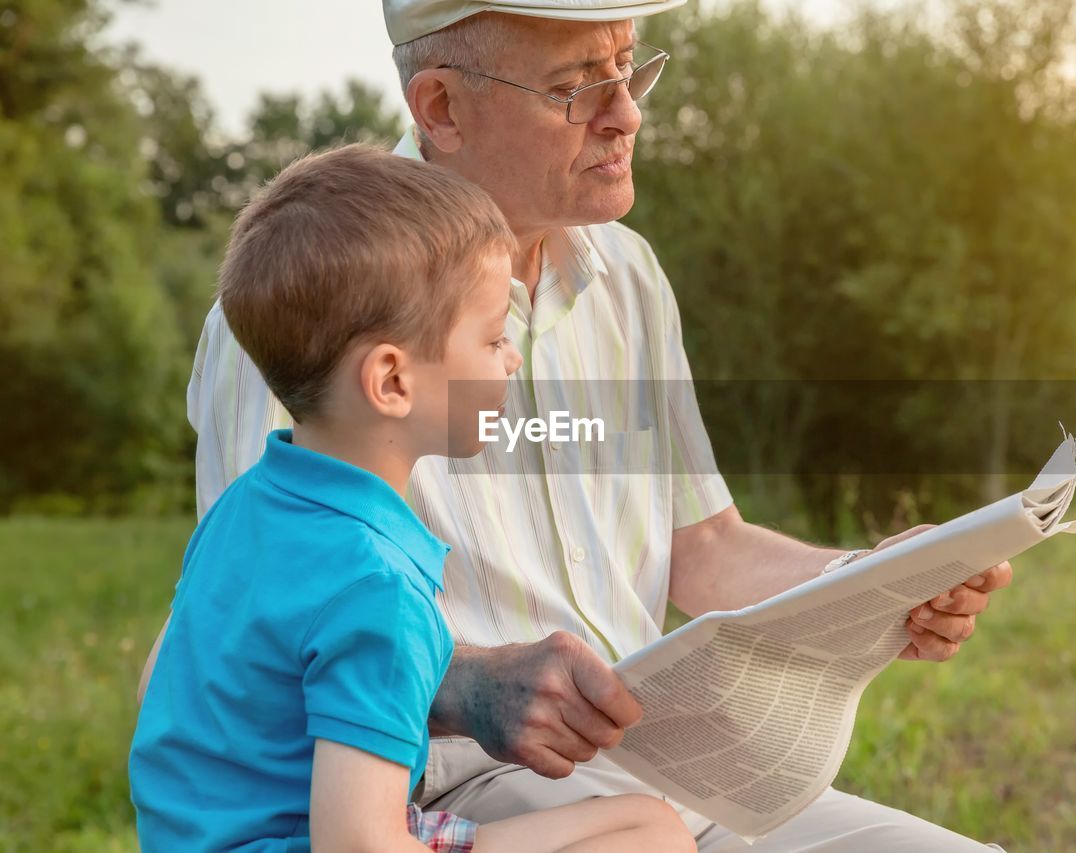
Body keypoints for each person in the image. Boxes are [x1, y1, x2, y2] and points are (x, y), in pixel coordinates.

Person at [183, 1, 1015, 848]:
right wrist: (471, 689)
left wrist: (871, 582)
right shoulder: (305, 312)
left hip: (670, 771)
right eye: (577, 87)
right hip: (454, 793)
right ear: (441, 108)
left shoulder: (629, 275)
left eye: (628, 69)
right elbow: (242, 636)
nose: (628, 114)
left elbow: (704, 546)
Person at [130, 144, 694, 853]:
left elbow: (162, 680)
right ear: (392, 381)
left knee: (652, 823)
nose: (512, 357)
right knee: (647, 844)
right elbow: (358, 844)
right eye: (493, 338)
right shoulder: (378, 589)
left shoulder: (252, 504)